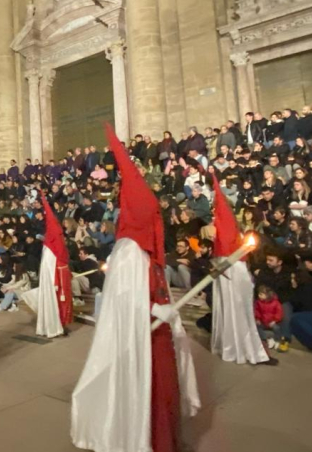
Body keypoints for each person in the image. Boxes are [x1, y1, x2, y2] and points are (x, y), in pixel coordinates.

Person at [71, 124, 199, 452]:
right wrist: (155, 309)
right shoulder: (129, 251)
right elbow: (124, 300)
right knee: (147, 391)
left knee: (164, 389)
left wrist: (165, 310)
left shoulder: (144, 251)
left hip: (157, 335)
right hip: (141, 334)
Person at [210, 173, 275, 365]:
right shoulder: (224, 225)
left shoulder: (226, 224)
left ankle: (238, 345)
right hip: (231, 268)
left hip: (232, 267)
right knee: (237, 307)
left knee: (238, 307)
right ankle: (243, 348)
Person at [26, 198, 72, 338]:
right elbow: (51, 265)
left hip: (62, 275)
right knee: (59, 303)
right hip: (57, 280)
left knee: (64, 303)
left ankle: (62, 324)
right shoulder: (50, 248)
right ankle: (57, 325)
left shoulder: (54, 244)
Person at [254, 284, 284, 350]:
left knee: (277, 328)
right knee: (256, 328)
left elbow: (279, 312)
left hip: (272, 322)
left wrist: (275, 321)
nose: (259, 296)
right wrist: (257, 319)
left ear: (267, 295)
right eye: (259, 294)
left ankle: (277, 340)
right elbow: (256, 311)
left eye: (261, 294)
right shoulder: (258, 302)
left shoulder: (276, 302)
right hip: (263, 321)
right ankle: (268, 338)